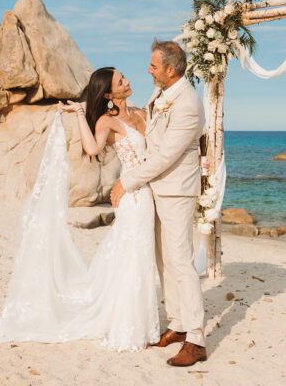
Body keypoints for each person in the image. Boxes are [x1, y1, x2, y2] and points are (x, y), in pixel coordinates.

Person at [0, 66, 160, 352]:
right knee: (135, 258)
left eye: (125, 77)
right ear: (108, 93)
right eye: (120, 81)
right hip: (134, 197)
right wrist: (81, 114)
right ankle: (130, 328)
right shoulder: (108, 121)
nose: (128, 81)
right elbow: (92, 148)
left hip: (152, 193)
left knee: (140, 257)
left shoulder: (142, 112)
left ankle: (141, 322)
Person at [110, 39, 207, 367]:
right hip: (157, 190)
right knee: (165, 260)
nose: (148, 71)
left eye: (153, 66)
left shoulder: (188, 104)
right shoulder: (163, 95)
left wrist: (128, 180)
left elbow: (166, 155)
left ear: (170, 69)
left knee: (181, 261)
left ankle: (196, 338)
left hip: (177, 190)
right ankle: (177, 325)